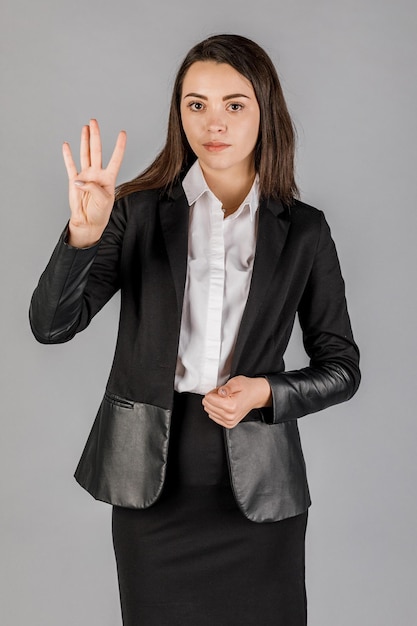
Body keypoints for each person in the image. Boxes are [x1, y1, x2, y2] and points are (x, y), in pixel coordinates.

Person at [30, 34, 360, 626]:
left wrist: (267, 392)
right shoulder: (132, 211)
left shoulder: (304, 231)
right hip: (152, 475)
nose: (214, 123)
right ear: (179, 114)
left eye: (235, 104)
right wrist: (82, 237)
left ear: (265, 112)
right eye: (195, 104)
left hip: (260, 483)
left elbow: (341, 368)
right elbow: (52, 327)